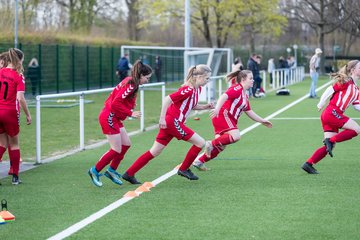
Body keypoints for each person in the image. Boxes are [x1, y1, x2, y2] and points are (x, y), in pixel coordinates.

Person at [121, 64, 214, 184]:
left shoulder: (197, 89)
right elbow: (167, 99)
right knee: (200, 142)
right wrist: (162, 119)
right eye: (207, 78)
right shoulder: (188, 89)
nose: (208, 81)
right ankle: (184, 169)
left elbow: (191, 104)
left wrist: (205, 107)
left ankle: (129, 173)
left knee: (155, 151)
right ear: (198, 77)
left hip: (172, 122)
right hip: (172, 122)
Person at [88, 60, 153, 187]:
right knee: (116, 149)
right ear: (141, 75)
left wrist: (130, 107)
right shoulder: (131, 84)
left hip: (114, 117)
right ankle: (94, 170)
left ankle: (111, 171)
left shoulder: (131, 81)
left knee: (126, 144)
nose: (148, 80)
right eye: (147, 78)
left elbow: (120, 99)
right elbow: (115, 103)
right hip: (109, 117)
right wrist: (130, 113)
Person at [192, 70, 272, 171]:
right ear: (243, 80)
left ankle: (199, 161)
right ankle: (210, 144)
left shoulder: (245, 95)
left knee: (221, 147)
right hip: (223, 115)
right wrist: (217, 108)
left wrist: (262, 121)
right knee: (236, 136)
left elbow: (249, 111)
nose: (253, 80)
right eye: (250, 78)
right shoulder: (237, 88)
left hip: (226, 118)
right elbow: (224, 96)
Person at [301, 60, 360, 174]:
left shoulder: (356, 89)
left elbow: (357, 106)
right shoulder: (347, 81)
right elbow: (330, 89)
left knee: (330, 146)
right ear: (352, 70)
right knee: (357, 129)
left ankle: (308, 164)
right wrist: (321, 103)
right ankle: (330, 140)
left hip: (331, 115)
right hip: (332, 112)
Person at [0, 48, 32, 185]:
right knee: (14, 144)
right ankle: (15, 177)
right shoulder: (18, 76)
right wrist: (28, 115)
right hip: (10, 112)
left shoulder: (0, 72)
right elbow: (20, 98)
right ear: (19, 61)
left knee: (2, 143)